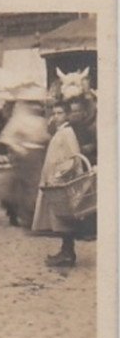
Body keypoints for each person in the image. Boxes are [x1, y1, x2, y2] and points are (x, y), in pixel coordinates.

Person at [32, 96, 97, 267]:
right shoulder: (60, 131)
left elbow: (73, 157)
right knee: (60, 218)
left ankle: (68, 253)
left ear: (67, 115)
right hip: (54, 181)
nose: (56, 116)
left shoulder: (67, 133)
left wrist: (60, 175)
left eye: (60, 113)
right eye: (54, 113)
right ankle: (66, 251)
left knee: (64, 217)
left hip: (62, 181)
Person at [0, 100, 50, 228]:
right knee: (21, 185)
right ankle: (20, 214)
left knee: (36, 185)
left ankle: (32, 216)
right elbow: (6, 138)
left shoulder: (42, 121)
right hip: (22, 155)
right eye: (32, 104)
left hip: (39, 155)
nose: (35, 107)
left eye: (37, 104)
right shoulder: (18, 120)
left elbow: (45, 137)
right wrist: (19, 148)